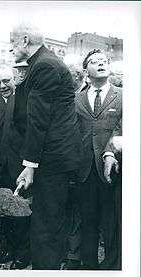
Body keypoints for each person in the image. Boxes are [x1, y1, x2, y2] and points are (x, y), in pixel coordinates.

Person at [10, 22, 82, 270]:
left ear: (25, 40)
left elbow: (38, 119)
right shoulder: (42, 63)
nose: (11, 48)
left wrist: (29, 165)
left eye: (12, 42)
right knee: (47, 221)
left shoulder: (44, 66)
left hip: (52, 157)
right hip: (52, 155)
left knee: (46, 223)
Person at [75, 49, 122, 269]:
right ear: (86, 71)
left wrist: (111, 151)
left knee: (111, 221)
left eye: (104, 61)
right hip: (84, 169)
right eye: (94, 62)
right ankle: (89, 267)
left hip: (113, 168)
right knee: (87, 221)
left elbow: (125, 126)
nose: (101, 64)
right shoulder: (77, 98)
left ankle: (113, 267)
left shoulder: (123, 95)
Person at [0, 65, 31, 269]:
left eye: (6, 81)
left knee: (21, 210)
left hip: (22, 166)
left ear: (14, 79)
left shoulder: (26, 99)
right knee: (2, 210)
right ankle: (8, 248)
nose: (3, 86)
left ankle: (23, 253)